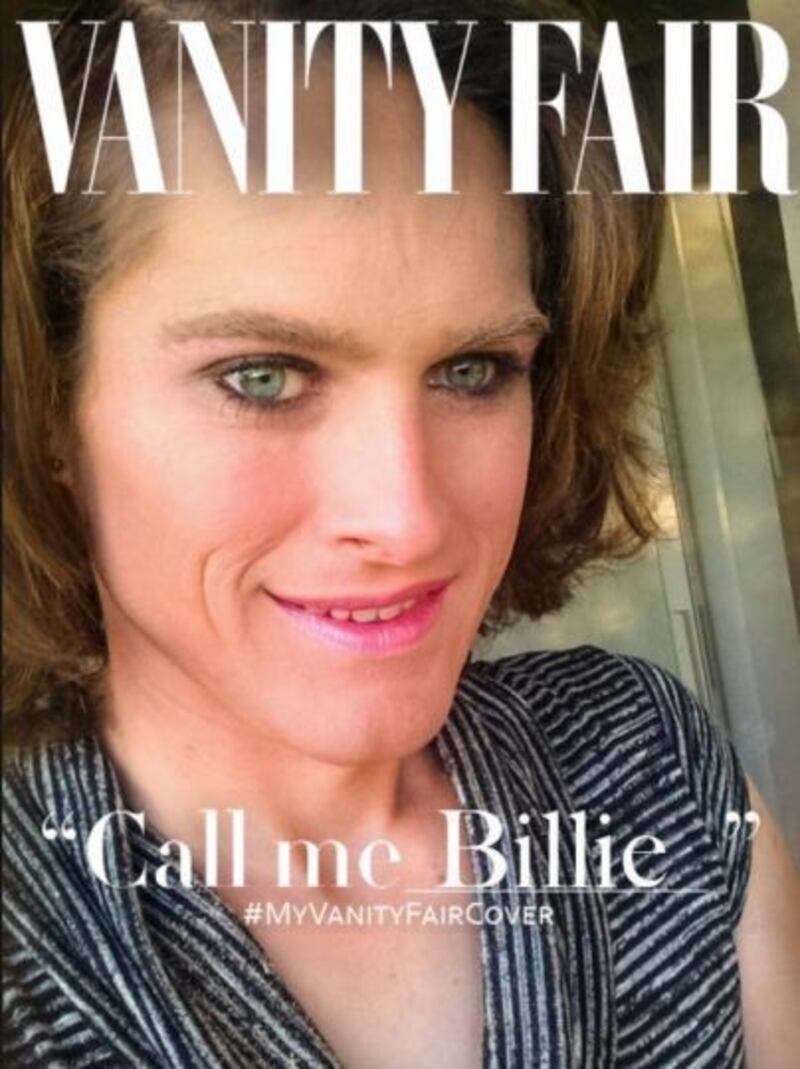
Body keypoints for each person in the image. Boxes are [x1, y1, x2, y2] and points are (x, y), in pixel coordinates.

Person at [3, 1, 799, 1066]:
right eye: (261, 376)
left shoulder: (648, 769)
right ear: (50, 411)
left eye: (472, 370)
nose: (408, 519)